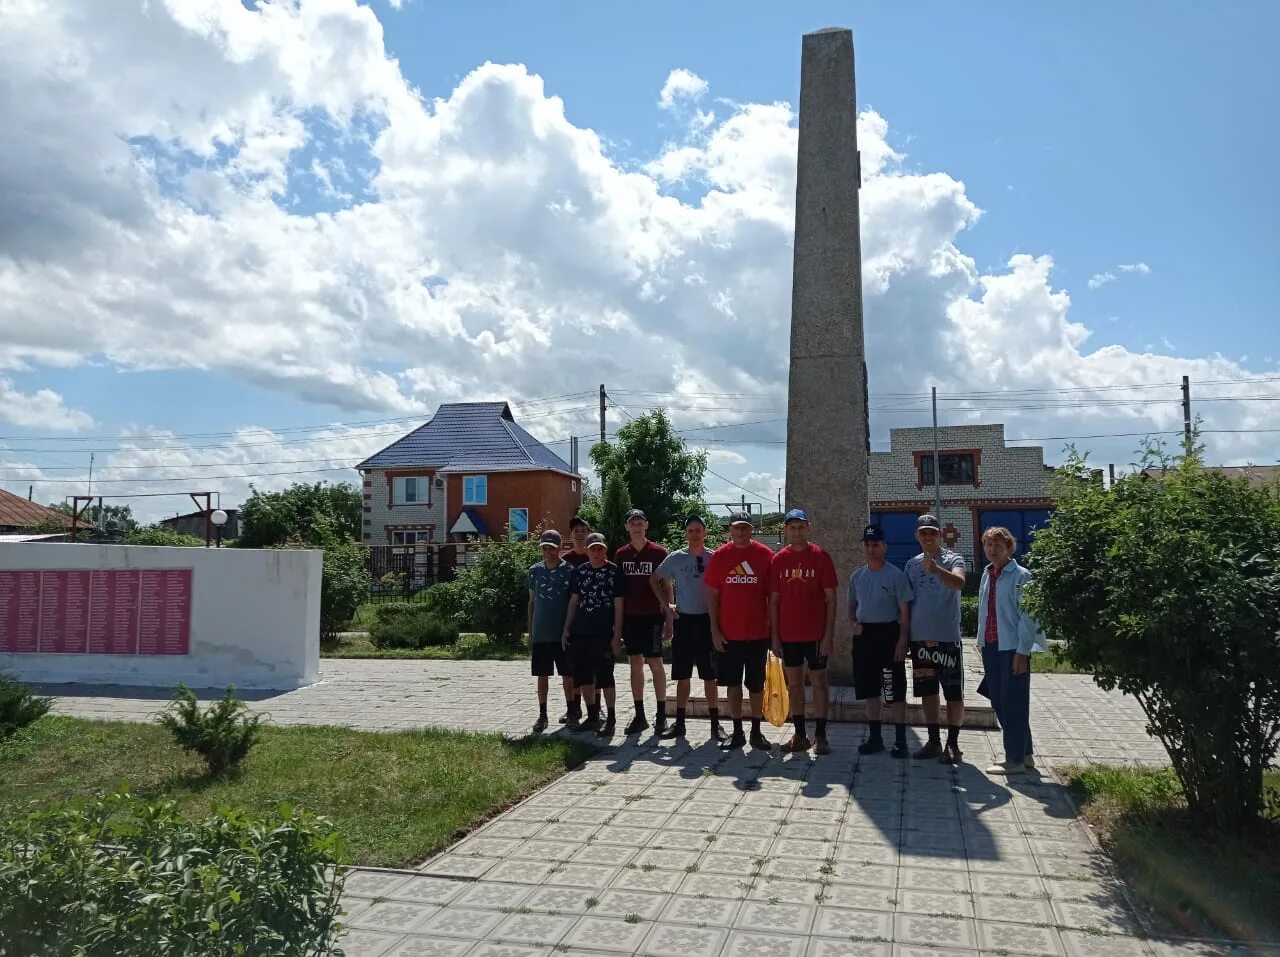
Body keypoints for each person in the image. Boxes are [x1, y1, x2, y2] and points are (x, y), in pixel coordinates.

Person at [976, 525, 1047, 776]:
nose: (992, 550)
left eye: (997, 545)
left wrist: (1022, 651)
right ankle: (1025, 753)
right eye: (988, 545)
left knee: (1013, 701)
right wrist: (980, 642)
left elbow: (1029, 616)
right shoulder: (987, 574)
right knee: (998, 699)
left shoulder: (1021, 575)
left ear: (1009, 548)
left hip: (1012, 648)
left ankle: (1013, 759)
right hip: (991, 645)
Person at [769, 508, 838, 755]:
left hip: (816, 635)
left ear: (808, 528)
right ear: (786, 530)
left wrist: (828, 636)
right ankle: (799, 735)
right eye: (792, 527)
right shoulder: (778, 560)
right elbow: (774, 601)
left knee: (819, 682)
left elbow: (831, 599)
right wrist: (775, 636)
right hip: (789, 635)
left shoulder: (821, 557)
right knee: (794, 684)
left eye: (800, 527)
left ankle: (820, 735)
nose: (796, 531)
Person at [651, 514, 726, 741]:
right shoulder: (675, 558)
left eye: (698, 530)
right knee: (682, 675)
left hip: (707, 622)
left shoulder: (715, 558)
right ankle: (680, 724)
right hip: (684, 622)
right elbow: (655, 579)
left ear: (705, 533)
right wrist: (666, 606)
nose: (695, 534)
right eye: (691, 530)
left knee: (709, 676)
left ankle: (715, 726)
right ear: (686, 534)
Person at [705, 510, 775, 752]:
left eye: (745, 527)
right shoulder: (720, 557)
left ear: (751, 529)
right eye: (737, 527)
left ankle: (756, 732)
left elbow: (773, 597)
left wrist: (773, 632)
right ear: (730, 530)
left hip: (757, 634)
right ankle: (737, 732)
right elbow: (712, 597)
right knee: (732, 685)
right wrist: (714, 630)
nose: (741, 531)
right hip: (729, 635)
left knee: (756, 686)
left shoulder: (765, 555)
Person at [905, 514, 968, 764]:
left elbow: (959, 583)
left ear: (939, 535)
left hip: (947, 637)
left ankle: (953, 744)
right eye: (923, 533)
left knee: (953, 693)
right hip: (920, 639)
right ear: (917, 536)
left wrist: (937, 569)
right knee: (928, 692)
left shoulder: (953, 558)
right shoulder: (911, 564)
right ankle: (933, 741)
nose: (928, 537)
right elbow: (906, 602)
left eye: (932, 532)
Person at [849, 524, 914, 758]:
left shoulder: (896, 575)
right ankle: (875, 738)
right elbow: (851, 606)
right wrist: (852, 624)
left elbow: (904, 612)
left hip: (889, 635)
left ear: (884, 546)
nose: (871, 548)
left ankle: (900, 740)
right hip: (864, 637)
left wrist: (902, 640)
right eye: (867, 544)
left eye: (875, 544)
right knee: (869, 690)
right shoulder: (857, 576)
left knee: (893, 690)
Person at [561, 532, 623, 736]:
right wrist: (567, 628)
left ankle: (611, 719)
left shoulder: (614, 572)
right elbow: (573, 601)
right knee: (584, 677)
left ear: (605, 550)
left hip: (604, 632)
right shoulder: (579, 572)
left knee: (606, 677)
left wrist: (617, 635)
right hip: (581, 631)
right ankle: (592, 716)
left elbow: (619, 606)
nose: (596, 552)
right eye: (592, 548)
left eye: (600, 548)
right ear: (586, 550)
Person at [614, 509, 669, 736]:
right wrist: (617, 627)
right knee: (635, 664)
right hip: (631, 617)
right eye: (632, 523)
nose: (636, 526)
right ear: (627, 527)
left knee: (655, 664)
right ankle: (640, 715)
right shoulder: (621, 554)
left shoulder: (658, 552)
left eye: (640, 522)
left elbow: (667, 586)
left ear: (646, 525)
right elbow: (618, 591)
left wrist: (669, 618)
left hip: (653, 616)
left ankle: (662, 715)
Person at [526, 530, 576, 733]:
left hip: (562, 632)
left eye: (552, 548)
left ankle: (572, 712)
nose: (548, 551)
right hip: (541, 631)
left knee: (567, 674)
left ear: (559, 548)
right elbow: (531, 602)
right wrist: (530, 630)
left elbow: (573, 601)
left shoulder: (569, 571)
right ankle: (542, 714)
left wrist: (569, 628)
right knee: (542, 675)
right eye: (545, 548)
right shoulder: (534, 571)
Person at [558, 515, 592, 723]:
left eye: (583, 530)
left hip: (592, 620)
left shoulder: (596, 556)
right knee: (568, 669)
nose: (580, 533)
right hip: (570, 619)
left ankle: (595, 709)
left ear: (589, 533)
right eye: (576, 530)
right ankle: (572, 708)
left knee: (592, 667)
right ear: (571, 534)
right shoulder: (566, 560)